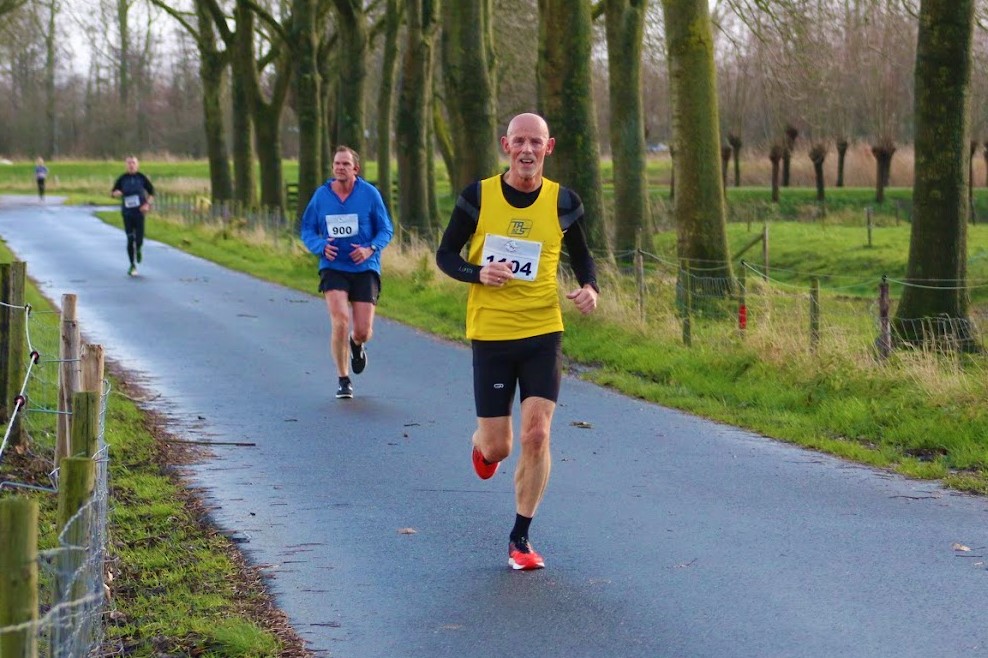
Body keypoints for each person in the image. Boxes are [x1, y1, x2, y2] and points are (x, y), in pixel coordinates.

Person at [435, 112, 599, 571]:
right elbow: (445, 255)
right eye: (519, 141)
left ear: (549, 147)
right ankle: (481, 447)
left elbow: (583, 257)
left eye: (536, 142)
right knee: (499, 447)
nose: (527, 150)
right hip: (491, 333)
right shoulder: (478, 196)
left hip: (543, 331)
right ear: (506, 145)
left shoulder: (564, 201)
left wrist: (590, 287)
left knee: (537, 433)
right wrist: (477, 272)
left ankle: (520, 538)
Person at [300, 145, 394, 399]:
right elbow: (307, 229)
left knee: (363, 330)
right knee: (340, 319)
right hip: (333, 267)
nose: (340, 168)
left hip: (365, 268)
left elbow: (386, 229)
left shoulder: (370, 194)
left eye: (345, 164)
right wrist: (320, 246)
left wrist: (369, 248)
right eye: (337, 164)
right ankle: (343, 378)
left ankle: (356, 344)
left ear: (356, 169)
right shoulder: (322, 196)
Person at [110, 156, 155, 276]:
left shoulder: (142, 178)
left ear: (137, 165)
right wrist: (116, 193)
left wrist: (147, 204)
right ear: (126, 165)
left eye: (133, 163)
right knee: (130, 239)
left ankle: (138, 248)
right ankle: (132, 265)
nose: (131, 165)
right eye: (129, 163)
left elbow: (152, 193)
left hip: (139, 212)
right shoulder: (122, 178)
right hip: (127, 213)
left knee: (139, 239)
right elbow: (113, 192)